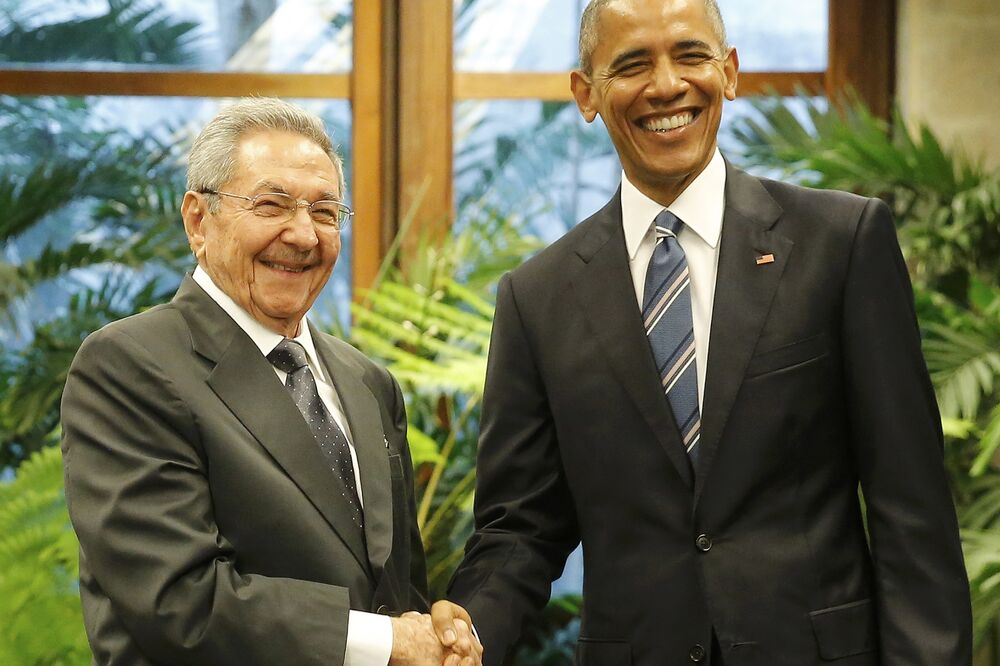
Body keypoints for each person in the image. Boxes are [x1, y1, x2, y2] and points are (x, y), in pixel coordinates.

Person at [437, 1, 973, 664]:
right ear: (586, 94)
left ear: (730, 72)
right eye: (632, 65)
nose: (667, 85)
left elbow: (911, 508)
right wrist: (467, 628)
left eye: (690, 56)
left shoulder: (840, 244)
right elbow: (520, 528)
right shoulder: (536, 297)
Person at [61, 98, 481, 666]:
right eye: (271, 205)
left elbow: (396, 594)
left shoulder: (368, 382)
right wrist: (389, 643)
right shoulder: (129, 366)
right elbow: (179, 602)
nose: (303, 235)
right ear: (197, 220)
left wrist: (435, 636)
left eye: (325, 212)